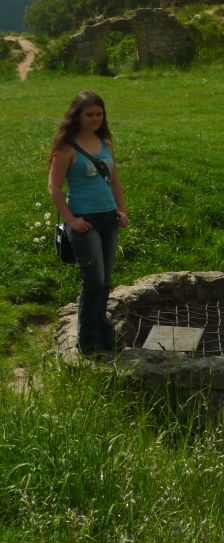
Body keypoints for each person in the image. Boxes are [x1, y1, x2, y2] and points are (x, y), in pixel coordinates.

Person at [48, 91, 129, 355]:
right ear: (77, 117)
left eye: (99, 114)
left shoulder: (105, 142)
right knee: (93, 281)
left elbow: (114, 180)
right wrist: (71, 219)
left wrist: (121, 210)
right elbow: (54, 188)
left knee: (104, 282)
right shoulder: (66, 148)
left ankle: (104, 332)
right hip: (84, 221)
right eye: (89, 114)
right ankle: (88, 339)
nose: (95, 118)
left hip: (109, 218)